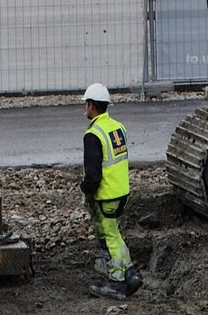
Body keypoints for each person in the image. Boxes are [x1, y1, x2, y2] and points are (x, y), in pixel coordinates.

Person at [81, 82, 140, 301]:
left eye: (86, 105)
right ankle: (130, 272)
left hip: (106, 195)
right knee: (115, 234)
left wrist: (86, 189)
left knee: (109, 238)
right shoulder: (118, 127)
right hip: (122, 191)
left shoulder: (93, 134)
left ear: (91, 106)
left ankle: (116, 283)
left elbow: (93, 173)